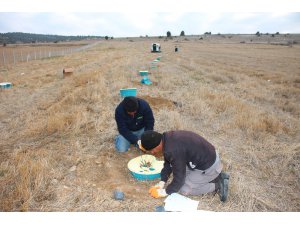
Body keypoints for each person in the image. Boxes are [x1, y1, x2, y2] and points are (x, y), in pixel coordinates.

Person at [138, 130, 230, 202]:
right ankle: (212, 177)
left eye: (151, 150)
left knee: (183, 189)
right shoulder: (167, 138)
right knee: (181, 176)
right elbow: (168, 163)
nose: (153, 153)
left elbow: (179, 179)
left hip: (209, 166)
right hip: (202, 159)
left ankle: (217, 184)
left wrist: (166, 191)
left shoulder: (173, 150)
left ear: (156, 145)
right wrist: (162, 181)